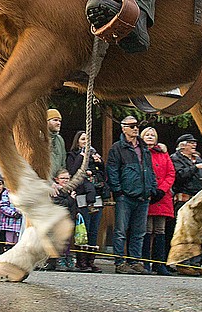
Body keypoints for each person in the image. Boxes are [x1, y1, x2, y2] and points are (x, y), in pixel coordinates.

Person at [105, 115, 156, 274]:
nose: (135, 129)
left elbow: (149, 169)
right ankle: (120, 262)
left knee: (139, 232)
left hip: (143, 195)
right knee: (120, 230)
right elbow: (112, 170)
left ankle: (135, 261)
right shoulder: (117, 148)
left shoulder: (144, 148)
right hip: (125, 196)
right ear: (123, 128)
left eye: (136, 126)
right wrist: (118, 191)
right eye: (132, 126)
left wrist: (152, 188)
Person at [66, 130, 105, 272]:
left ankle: (91, 261)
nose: (85, 142)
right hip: (82, 197)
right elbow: (71, 171)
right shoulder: (72, 156)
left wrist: (100, 163)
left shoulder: (94, 156)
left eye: (87, 140)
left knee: (94, 231)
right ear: (77, 141)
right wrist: (81, 157)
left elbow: (103, 174)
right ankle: (81, 261)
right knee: (84, 230)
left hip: (97, 198)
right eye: (83, 139)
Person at [141, 126, 175, 275]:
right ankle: (145, 262)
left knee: (160, 230)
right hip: (147, 195)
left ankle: (159, 263)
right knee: (147, 229)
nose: (150, 137)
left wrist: (162, 189)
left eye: (152, 135)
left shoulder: (163, 153)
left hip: (163, 196)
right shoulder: (140, 152)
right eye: (147, 134)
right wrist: (151, 190)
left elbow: (171, 173)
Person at [0, 177, 23, 256]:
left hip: (20, 224)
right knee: (9, 242)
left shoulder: (23, 193)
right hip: (9, 224)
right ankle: (7, 255)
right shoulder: (6, 193)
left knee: (17, 243)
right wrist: (13, 213)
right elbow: (3, 206)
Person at [46, 109, 66, 180]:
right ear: (46, 122)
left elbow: (63, 163)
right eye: (55, 120)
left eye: (59, 121)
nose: (58, 123)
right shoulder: (40, 138)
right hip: (44, 181)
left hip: (57, 181)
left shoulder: (60, 139)